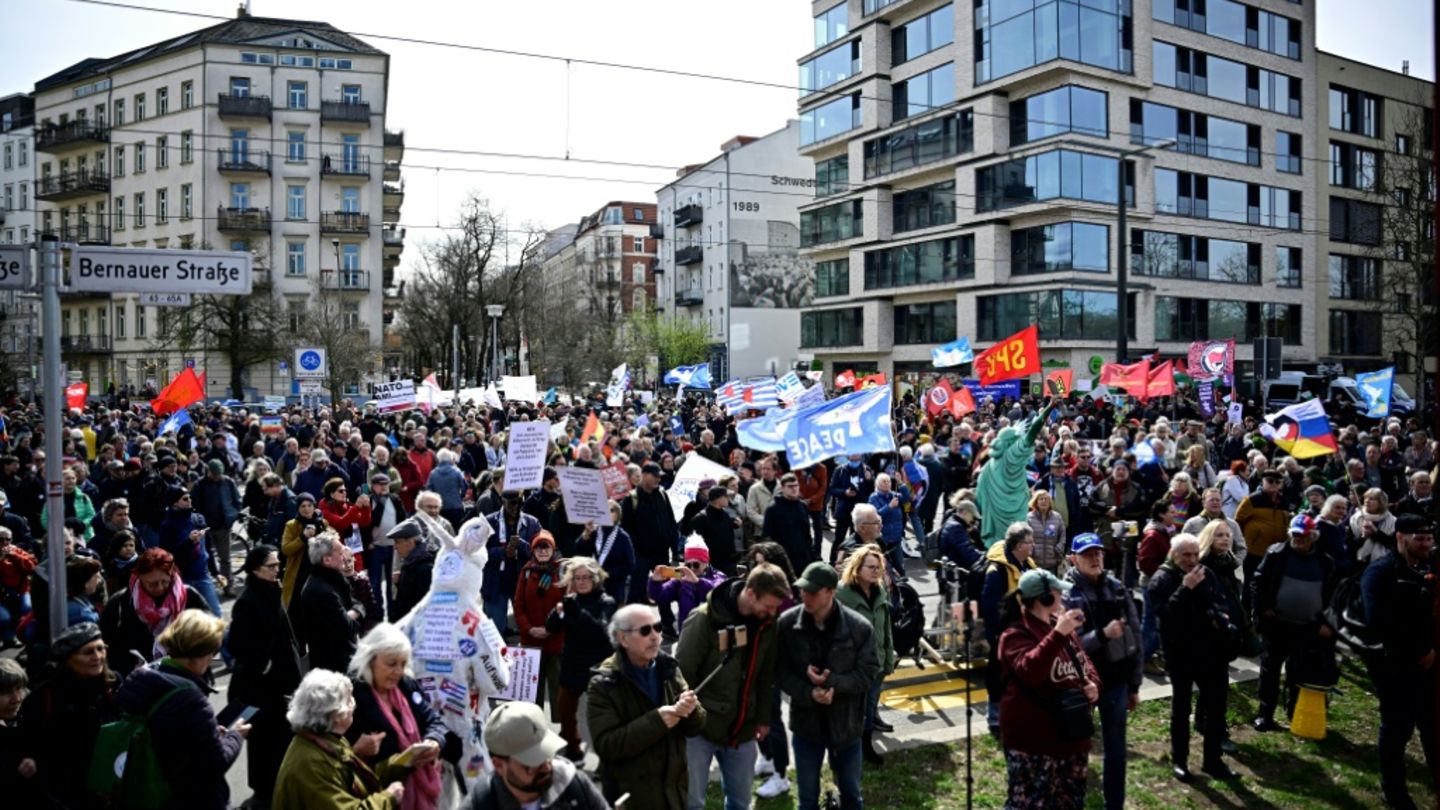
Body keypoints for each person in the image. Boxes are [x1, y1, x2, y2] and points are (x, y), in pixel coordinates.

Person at [676, 562, 790, 810]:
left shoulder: (768, 625)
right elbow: (681, 676)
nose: (772, 612)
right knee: (692, 802)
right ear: (750, 593)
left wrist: (762, 718)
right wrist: (687, 718)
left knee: (740, 801)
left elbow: (765, 676)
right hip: (700, 729)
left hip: (743, 729)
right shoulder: (704, 619)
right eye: (768, 606)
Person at [114, 609, 247, 809]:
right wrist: (235, 736)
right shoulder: (192, 700)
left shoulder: (139, 678)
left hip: (144, 790)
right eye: (211, 654)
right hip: (189, 797)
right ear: (199, 654)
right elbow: (215, 762)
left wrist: (206, 733)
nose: (212, 660)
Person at [776, 561, 880, 810]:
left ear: (831, 592)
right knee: (807, 799)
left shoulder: (859, 627)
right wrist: (809, 691)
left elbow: (868, 673)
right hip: (806, 727)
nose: (805, 596)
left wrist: (835, 684)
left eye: (812, 592)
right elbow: (779, 671)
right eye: (803, 590)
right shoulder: (787, 624)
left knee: (852, 796)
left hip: (846, 727)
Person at [997, 569, 1100, 810]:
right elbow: (1030, 670)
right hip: (1034, 742)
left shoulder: (1059, 625)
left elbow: (1085, 664)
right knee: (1029, 804)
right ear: (1043, 598)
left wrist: (1094, 685)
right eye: (1057, 592)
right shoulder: (1014, 634)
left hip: (1070, 739)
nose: (1063, 597)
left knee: (1070, 802)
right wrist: (1057, 635)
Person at [587, 603, 706, 809]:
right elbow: (607, 746)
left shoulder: (667, 667)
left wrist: (692, 709)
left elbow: (695, 727)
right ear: (622, 638)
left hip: (673, 794)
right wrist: (656, 721)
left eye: (658, 627)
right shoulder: (604, 683)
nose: (654, 636)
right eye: (644, 630)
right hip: (633, 798)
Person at [1360, 513, 1437, 809]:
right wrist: (1420, 649)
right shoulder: (1380, 573)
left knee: (1431, 722)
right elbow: (1378, 620)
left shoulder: (1429, 568)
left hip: (1429, 663)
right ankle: (1393, 789)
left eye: (1429, 539)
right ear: (1400, 537)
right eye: (1419, 539)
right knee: (1398, 727)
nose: (1426, 544)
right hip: (1393, 663)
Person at [1062, 532, 1141, 810]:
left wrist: (1134, 685)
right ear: (1073, 559)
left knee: (1116, 751)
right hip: (1080, 686)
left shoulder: (1117, 587)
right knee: (1075, 752)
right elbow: (1069, 646)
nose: (1095, 559)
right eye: (1087, 555)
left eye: (1098, 553)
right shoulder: (1066, 594)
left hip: (1116, 683)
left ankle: (1114, 805)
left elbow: (1135, 637)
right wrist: (1104, 635)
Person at [1150, 535, 1238, 781]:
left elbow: (1221, 602)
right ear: (1173, 555)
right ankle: (1180, 761)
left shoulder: (1206, 573)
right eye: (1185, 555)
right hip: (1181, 656)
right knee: (1181, 710)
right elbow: (1165, 616)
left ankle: (1213, 761)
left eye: (1195, 554)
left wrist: (1222, 620)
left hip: (1212, 653)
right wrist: (1185, 588)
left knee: (1216, 709)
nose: (1191, 560)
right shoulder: (1162, 579)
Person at [228, 544, 304, 809]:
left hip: (282, 680)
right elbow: (238, 645)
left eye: (276, 565)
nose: (277, 569)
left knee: (281, 736)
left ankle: (278, 783)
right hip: (262, 686)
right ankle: (264, 789)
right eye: (271, 566)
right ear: (255, 569)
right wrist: (267, 666)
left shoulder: (272, 590)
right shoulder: (248, 601)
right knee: (264, 739)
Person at [1251, 513, 1339, 732]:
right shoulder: (1276, 554)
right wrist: (1263, 609)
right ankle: (1265, 714)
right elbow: (1257, 582)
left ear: (1313, 537)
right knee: (1270, 670)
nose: (1299, 540)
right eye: (1296, 536)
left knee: (1299, 671)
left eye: (1304, 536)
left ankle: (1294, 713)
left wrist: (1328, 622)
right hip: (1277, 625)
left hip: (1308, 628)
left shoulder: (1325, 562)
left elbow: (1334, 595)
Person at [18, 622, 120, 810]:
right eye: (88, 652)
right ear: (68, 659)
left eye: (100, 649)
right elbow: (26, 738)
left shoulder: (112, 685)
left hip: (105, 784)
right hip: (62, 789)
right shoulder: (45, 695)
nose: (97, 657)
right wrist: (30, 758)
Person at [345, 624, 446, 810]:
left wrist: (434, 741)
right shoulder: (352, 696)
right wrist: (356, 749)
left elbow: (433, 719)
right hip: (378, 794)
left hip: (419, 787)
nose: (398, 671)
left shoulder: (406, 685)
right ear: (370, 660)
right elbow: (336, 750)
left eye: (403, 664)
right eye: (391, 664)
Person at [272, 669, 407, 809]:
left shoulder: (325, 740)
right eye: (349, 700)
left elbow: (360, 777)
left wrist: (405, 761)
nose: (354, 704)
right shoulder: (313, 763)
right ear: (335, 713)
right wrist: (389, 797)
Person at [468, 701, 609, 810]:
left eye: (547, 756)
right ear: (499, 765)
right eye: (532, 764)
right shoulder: (481, 804)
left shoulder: (576, 786)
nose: (547, 768)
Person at [544, 556, 616, 762]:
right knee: (565, 713)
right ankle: (573, 751)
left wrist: (577, 612)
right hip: (571, 665)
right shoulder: (570, 601)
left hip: (598, 668)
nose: (581, 582)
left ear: (595, 579)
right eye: (577, 578)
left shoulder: (606, 602)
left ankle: (607, 757)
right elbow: (551, 628)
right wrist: (558, 613)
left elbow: (601, 632)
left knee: (604, 717)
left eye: (586, 577)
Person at [99, 546, 207, 677]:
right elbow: (108, 644)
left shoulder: (189, 597)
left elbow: (210, 635)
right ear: (139, 578)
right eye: (153, 584)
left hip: (187, 675)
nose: (160, 588)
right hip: (138, 680)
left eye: (165, 582)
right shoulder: (121, 602)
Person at [835, 544, 895, 766]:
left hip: (876, 664)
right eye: (870, 567)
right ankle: (847, 752)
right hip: (853, 668)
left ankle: (866, 746)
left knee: (869, 709)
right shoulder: (842, 593)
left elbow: (886, 626)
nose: (875, 571)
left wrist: (888, 658)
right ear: (857, 567)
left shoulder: (880, 590)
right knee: (851, 711)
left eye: (878, 567)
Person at [979, 522, 1038, 736]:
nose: (1033, 546)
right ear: (1018, 545)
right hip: (1003, 632)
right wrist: (996, 635)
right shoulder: (997, 571)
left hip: (1024, 630)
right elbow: (988, 605)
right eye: (1029, 542)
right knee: (998, 676)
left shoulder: (1028, 564)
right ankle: (995, 720)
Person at [297, 531, 366, 673]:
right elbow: (348, 627)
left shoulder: (334, 580)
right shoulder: (321, 591)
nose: (344, 557)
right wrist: (356, 611)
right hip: (334, 669)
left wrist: (354, 610)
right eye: (340, 553)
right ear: (327, 560)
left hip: (344, 661)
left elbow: (358, 604)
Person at [514, 531, 565, 712]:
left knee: (558, 693)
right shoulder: (526, 572)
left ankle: (563, 732)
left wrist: (551, 628)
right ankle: (534, 728)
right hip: (531, 642)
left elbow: (568, 604)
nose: (543, 551)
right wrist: (529, 629)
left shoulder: (562, 571)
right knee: (531, 693)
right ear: (533, 551)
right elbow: (518, 606)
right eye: (539, 547)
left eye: (547, 547)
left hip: (556, 641)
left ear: (553, 549)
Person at [157, 487, 222, 615]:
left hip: (202, 575)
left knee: (215, 613)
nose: (190, 501)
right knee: (184, 617)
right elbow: (167, 554)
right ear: (175, 502)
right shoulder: (168, 525)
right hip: (181, 577)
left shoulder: (198, 519)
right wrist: (188, 541)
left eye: (190, 497)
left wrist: (215, 573)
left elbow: (207, 547)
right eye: (185, 499)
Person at [484, 491, 538, 634]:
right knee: (494, 632)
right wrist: (502, 552)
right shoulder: (489, 522)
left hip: (522, 584)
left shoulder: (532, 522)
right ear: (502, 501)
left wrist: (522, 545)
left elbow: (542, 552)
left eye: (520, 502)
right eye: (513, 502)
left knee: (528, 631)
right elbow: (477, 552)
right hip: (496, 583)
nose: (517, 506)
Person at [1235, 469, 1290, 609]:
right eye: (1270, 481)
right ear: (1263, 482)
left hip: (1276, 552)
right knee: (1250, 584)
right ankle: (1246, 614)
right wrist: (1247, 541)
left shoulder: (1284, 501)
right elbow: (1238, 522)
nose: (1274, 484)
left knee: (1271, 584)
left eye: (1277, 482)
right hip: (1255, 551)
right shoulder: (1252, 500)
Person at [649, 536, 726, 630]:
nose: (692, 568)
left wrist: (698, 582)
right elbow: (660, 597)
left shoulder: (717, 576)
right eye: (688, 565)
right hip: (687, 632)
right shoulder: (681, 579)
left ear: (706, 563)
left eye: (696, 565)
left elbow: (718, 592)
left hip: (710, 632)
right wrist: (655, 582)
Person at [192, 458, 242, 597]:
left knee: (225, 559)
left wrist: (233, 516)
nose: (217, 477)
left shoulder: (228, 482)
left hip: (223, 527)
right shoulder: (199, 485)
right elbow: (193, 505)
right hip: (205, 529)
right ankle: (207, 590)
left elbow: (237, 501)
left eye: (219, 474)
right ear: (208, 472)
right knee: (205, 559)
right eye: (214, 474)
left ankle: (227, 587)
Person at [573, 500, 635, 602]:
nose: (606, 512)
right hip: (593, 584)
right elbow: (578, 551)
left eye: (611, 510)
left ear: (618, 515)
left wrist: (608, 573)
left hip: (614, 587)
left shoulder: (623, 537)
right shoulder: (594, 531)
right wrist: (586, 534)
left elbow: (630, 565)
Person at [364, 472, 407, 610]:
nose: (383, 487)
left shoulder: (395, 499)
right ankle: (377, 610)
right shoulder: (369, 501)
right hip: (376, 547)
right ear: (373, 486)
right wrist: (368, 542)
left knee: (392, 581)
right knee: (375, 582)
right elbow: (366, 524)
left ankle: (392, 609)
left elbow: (403, 520)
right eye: (380, 484)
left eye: (386, 484)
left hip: (394, 547)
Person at [281, 493, 326, 609]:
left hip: (319, 573)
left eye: (309, 505)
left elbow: (332, 544)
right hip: (298, 574)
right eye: (303, 506)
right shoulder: (291, 525)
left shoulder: (322, 523)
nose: (306, 509)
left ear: (314, 506)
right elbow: (285, 549)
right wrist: (302, 537)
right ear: (298, 508)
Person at [762, 472, 815, 570]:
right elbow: (767, 536)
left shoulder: (803, 506)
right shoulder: (773, 508)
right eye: (790, 486)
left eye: (796, 485)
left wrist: (811, 555)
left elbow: (807, 533)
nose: (794, 489)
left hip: (803, 557)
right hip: (783, 559)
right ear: (782, 488)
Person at [388, 518, 436, 622]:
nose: (395, 547)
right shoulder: (413, 559)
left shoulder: (425, 567)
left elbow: (423, 602)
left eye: (397, 542)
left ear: (410, 542)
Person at [0, 528, 36, 648]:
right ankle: (7, 637)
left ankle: (23, 638)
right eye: (1, 539)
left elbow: (32, 567)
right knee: (4, 617)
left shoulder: (16, 551)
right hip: (2, 593)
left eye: (8, 539)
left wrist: (14, 556)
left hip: (19, 590)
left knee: (28, 608)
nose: (5, 542)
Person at [1026, 489, 1066, 574]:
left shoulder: (1057, 517)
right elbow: (1025, 538)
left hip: (1052, 562)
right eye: (1041, 499)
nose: (1044, 501)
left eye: (1046, 499)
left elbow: (1062, 535)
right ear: (1036, 502)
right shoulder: (1028, 518)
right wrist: (1031, 551)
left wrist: (1058, 548)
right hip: (1034, 563)